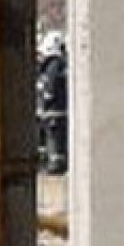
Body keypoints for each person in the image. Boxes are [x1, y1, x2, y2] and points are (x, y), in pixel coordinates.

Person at [37, 31, 68, 175]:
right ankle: (56, 162)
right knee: (56, 139)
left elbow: (48, 90)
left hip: (52, 112)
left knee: (54, 139)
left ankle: (55, 164)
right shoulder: (58, 65)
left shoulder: (51, 66)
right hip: (56, 111)